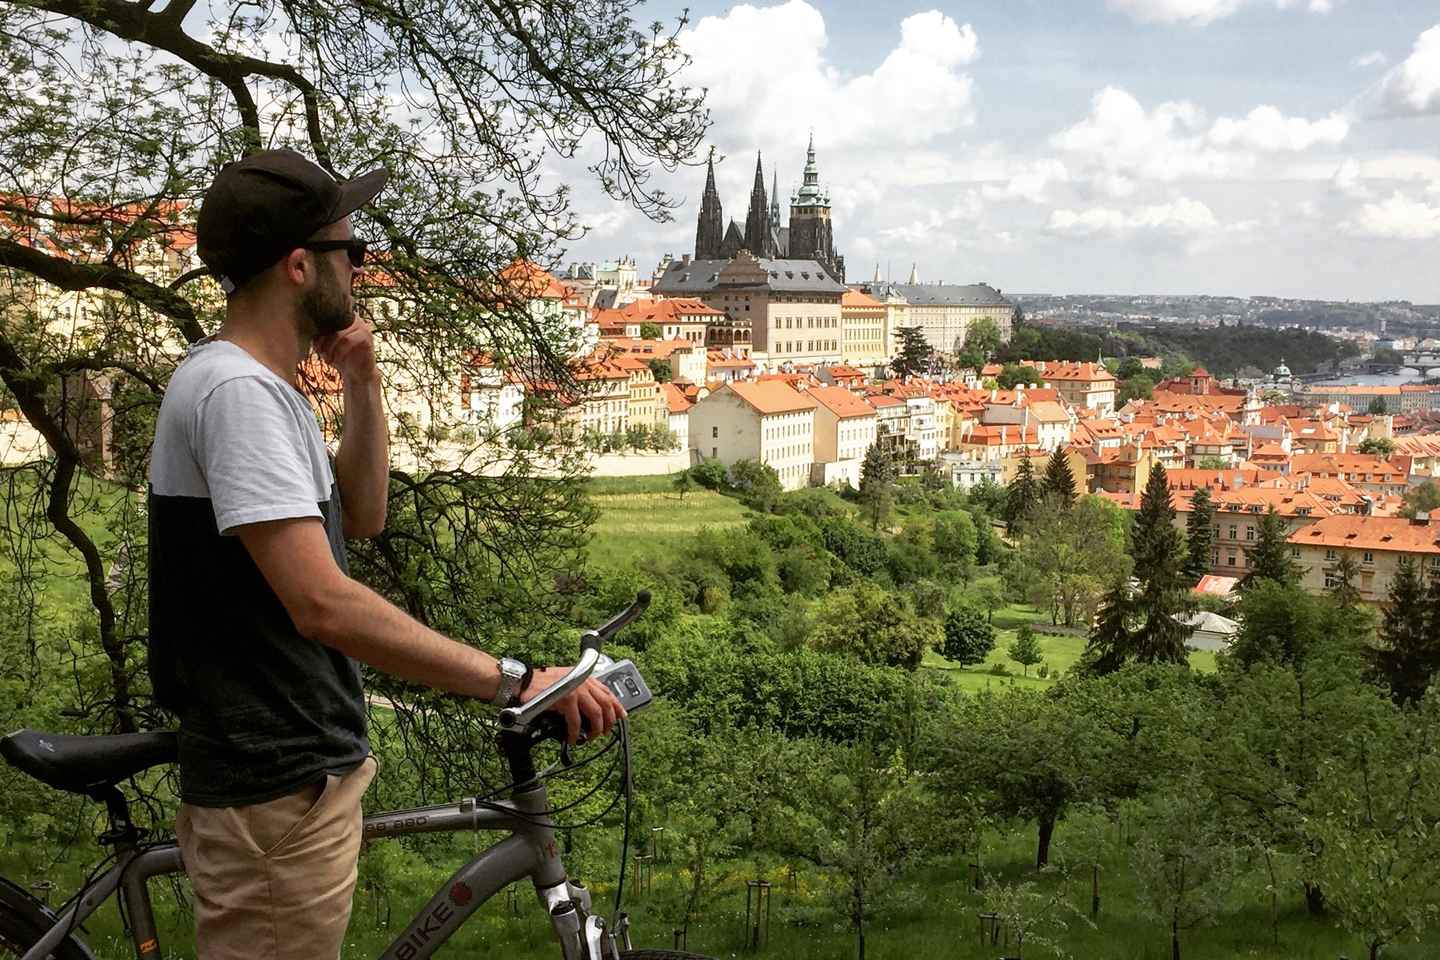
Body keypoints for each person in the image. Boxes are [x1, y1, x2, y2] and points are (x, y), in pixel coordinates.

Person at [147, 149, 625, 960]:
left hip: (298, 777)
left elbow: (362, 516)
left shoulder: (269, 388)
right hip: (277, 785)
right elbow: (322, 601)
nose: (364, 268)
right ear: (301, 267)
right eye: (352, 251)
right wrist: (511, 680)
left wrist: (363, 384)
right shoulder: (238, 395)